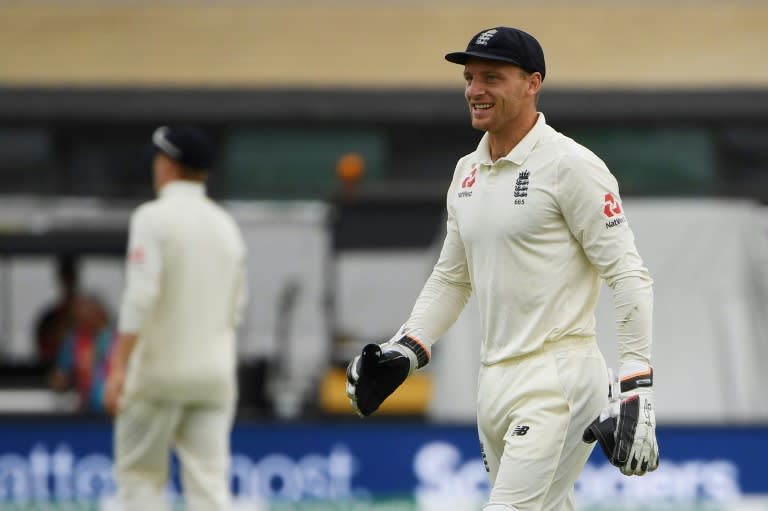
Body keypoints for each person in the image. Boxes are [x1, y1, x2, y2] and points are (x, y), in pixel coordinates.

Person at [346, 27, 659, 511]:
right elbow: (453, 277)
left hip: (559, 375)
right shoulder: (466, 173)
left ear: (533, 83)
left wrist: (637, 385)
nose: (475, 90)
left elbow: (628, 274)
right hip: (493, 380)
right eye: (470, 78)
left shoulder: (570, 165)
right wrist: (407, 349)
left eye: (491, 77)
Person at [104, 125, 248, 511]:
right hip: (214, 379)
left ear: (167, 165)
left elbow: (140, 297)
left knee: (141, 481)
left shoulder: (152, 218)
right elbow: (235, 310)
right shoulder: (227, 226)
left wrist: (118, 367)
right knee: (209, 489)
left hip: (158, 376)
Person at [49, 294, 115, 413]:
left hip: (115, 409)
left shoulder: (117, 339)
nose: (79, 320)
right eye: (77, 316)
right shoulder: (73, 341)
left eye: (84, 314)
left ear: (98, 313)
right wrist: (59, 380)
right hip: (86, 410)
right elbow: (60, 374)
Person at [35, 256, 80, 369]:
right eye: (66, 277)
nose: (68, 282)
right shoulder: (50, 317)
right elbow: (44, 353)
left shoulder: (88, 315)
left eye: (70, 277)